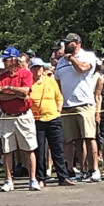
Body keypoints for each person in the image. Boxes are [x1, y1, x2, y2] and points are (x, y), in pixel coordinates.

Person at [54, 32, 101, 181]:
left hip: (84, 104)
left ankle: (94, 169)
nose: (67, 46)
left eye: (70, 43)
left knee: (88, 137)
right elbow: (58, 83)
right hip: (67, 106)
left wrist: (72, 58)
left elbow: (82, 69)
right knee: (71, 140)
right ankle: (75, 170)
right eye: (66, 43)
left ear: (77, 43)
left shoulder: (87, 56)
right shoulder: (61, 62)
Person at [0, 47, 40, 191]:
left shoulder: (25, 73)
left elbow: (26, 91)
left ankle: (32, 179)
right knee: (7, 149)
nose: (4, 62)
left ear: (14, 59)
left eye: (6, 59)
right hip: (7, 116)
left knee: (29, 148)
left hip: (23, 115)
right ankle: (8, 180)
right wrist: (16, 94)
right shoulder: (1, 76)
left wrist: (9, 88)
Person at [28, 57, 73, 188]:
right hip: (37, 120)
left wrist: (58, 110)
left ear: (43, 68)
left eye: (39, 67)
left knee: (58, 149)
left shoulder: (50, 81)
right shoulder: (29, 83)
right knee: (40, 150)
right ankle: (41, 178)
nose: (37, 70)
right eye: (35, 67)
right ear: (30, 69)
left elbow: (59, 97)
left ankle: (63, 176)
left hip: (53, 118)